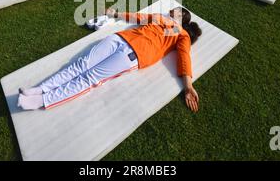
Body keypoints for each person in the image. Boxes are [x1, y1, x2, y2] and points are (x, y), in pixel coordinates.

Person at [17, 7, 201, 112]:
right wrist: (115, 13)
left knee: (90, 77)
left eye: (175, 11)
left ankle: (44, 100)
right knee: (80, 65)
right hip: (120, 38)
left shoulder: (180, 33)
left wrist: (188, 85)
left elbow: (183, 56)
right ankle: (40, 89)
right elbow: (138, 17)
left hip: (135, 55)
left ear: (181, 18)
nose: (170, 11)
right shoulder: (159, 17)